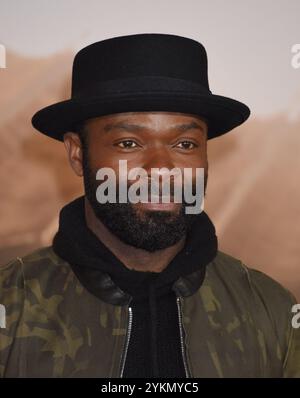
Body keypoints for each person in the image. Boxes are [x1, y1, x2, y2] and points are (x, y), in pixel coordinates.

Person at [0, 33, 299, 378]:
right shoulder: (12, 307)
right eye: (128, 142)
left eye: (185, 143)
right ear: (78, 154)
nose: (160, 168)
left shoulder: (272, 312)